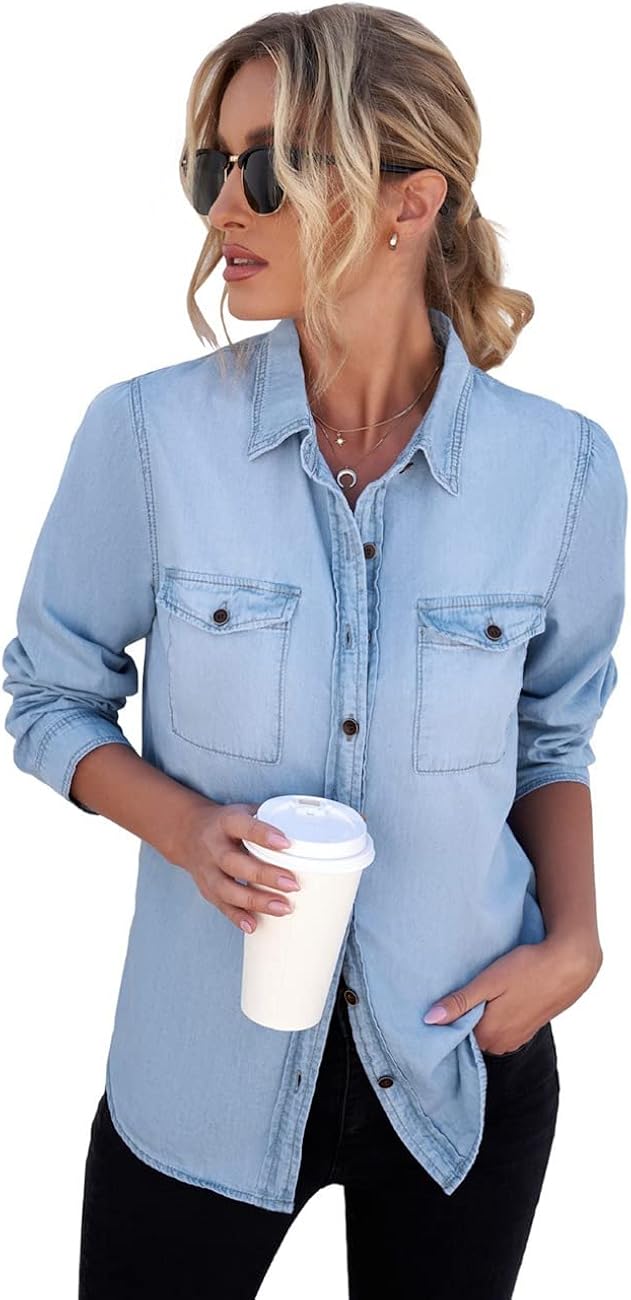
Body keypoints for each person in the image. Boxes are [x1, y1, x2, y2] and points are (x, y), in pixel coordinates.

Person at [2, 6, 627, 1298]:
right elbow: (49, 693)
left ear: (412, 200)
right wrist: (183, 828)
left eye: (271, 167)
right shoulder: (146, 437)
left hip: (462, 1060)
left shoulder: (563, 469)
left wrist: (575, 941)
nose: (225, 207)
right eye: (211, 168)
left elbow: (550, 737)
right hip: (198, 1076)